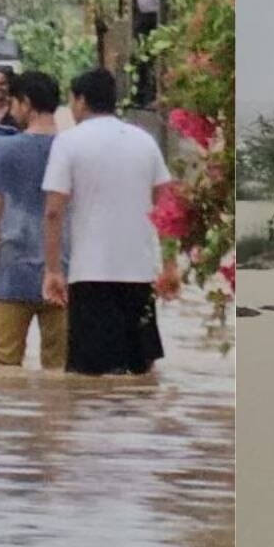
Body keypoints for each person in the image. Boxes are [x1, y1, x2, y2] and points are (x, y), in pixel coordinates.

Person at [42, 69, 181, 375]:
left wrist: (52, 269)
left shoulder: (68, 143)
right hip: (140, 276)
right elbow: (168, 208)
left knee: (90, 379)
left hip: (89, 276)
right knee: (140, 372)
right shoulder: (145, 142)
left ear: (80, 101)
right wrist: (170, 265)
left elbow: (53, 211)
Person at [0, 71, 68, 369]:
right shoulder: (71, 148)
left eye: (14, 101)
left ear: (26, 103)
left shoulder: (5, 150)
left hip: (12, 271)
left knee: (3, 368)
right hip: (64, 272)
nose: (12, 108)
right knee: (59, 370)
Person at [130, 0, 161, 107]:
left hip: (155, 14)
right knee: (139, 54)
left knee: (153, 54)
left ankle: (152, 93)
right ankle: (140, 94)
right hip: (143, 13)